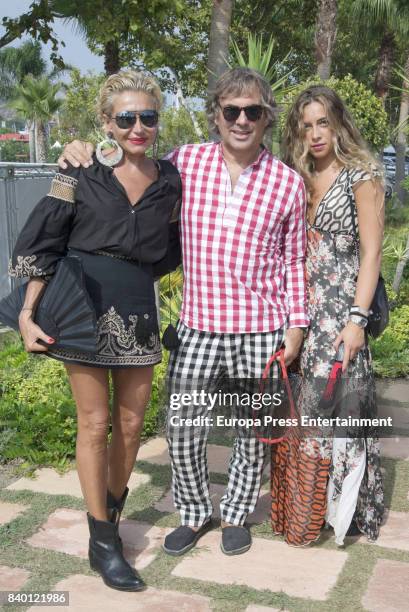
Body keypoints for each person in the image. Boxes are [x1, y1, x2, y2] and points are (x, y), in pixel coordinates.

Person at [59, 67, 309, 557]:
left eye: (252, 111)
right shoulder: (182, 164)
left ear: (266, 118)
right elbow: (127, 161)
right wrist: (80, 149)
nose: (241, 120)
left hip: (260, 328)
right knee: (183, 429)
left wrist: (296, 324)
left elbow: (293, 259)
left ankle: (235, 513)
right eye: (231, 110)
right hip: (197, 325)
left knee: (250, 431)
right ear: (215, 115)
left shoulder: (286, 183)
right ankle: (194, 514)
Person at [9, 70, 181, 590]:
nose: (137, 127)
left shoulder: (171, 178)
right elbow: (45, 240)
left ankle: (107, 509)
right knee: (94, 423)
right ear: (107, 122)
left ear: (156, 122)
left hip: (136, 302)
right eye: (125, 118)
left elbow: (178, 247)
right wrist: (26, 313)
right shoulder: (79, 172)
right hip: (81, 301)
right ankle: (104, 542)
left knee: (131, 426)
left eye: (147, 117)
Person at [270, 85, 385, 547]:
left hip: (340, 311)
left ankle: (343, 512)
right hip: (298, 310)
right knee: (299, 409)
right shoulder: (294, 174)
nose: (315, 133)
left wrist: (357, 320)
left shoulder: (362, 174)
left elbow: (372, 253)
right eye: (306, 124)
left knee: (338, 407)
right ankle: (304, 512)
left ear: (338, 122)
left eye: (323, 122)